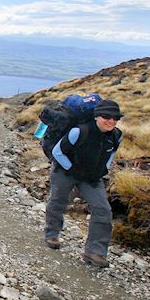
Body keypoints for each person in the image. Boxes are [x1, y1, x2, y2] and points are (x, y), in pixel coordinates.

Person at [44, 99, 123, 268]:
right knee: (59, 201)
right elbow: (57, 152)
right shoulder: (79, 131)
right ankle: (52, 234)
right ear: (96, 116)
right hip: (65, 172)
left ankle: (95, 252)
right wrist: (71, 169)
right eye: (106, 116)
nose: (111, 120)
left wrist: (104, 169)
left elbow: (111, 154)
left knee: (103, 210)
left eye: (115, 117)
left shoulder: (116, 135)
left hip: (92, 177)